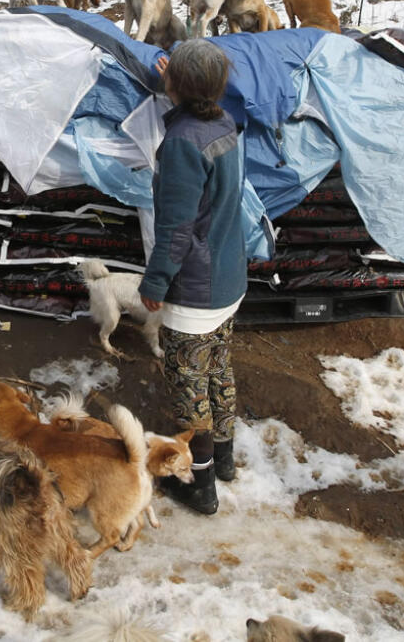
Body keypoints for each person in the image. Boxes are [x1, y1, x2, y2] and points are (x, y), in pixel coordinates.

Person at [138, 39, 247, 516]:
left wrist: (155, 282)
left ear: (178, 85)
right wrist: (178, 84)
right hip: (228, 277)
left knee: (188, 388)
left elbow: (177, 228)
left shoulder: (181, 143)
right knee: (218, 368)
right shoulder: (222, 122)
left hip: (195, 289)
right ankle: (223, 459)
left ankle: (199, 485)